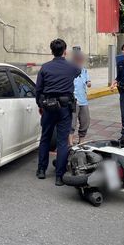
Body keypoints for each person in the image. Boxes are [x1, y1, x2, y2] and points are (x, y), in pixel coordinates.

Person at [36, 39, 81, 186]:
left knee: (45, 138)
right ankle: (59, 176)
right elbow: (78, 71)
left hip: (48, 107)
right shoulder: (71, 67)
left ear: (51, 51)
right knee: (62, 142)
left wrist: (40, 105)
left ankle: (41, 170)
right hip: (64, 108)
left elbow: (38, 90)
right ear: (65, 51)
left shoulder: (45, 68)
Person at [70, 48, 91, 146]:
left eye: (81, 59)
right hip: (74, 100)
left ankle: (81, 141)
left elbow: (87, 81)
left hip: (83, 101)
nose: (80, 60)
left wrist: (89, 83)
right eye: (78, 58)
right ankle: (70, 143)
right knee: (72, 123)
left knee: (85, 121)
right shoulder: (69, 69)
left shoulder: (84, 70)